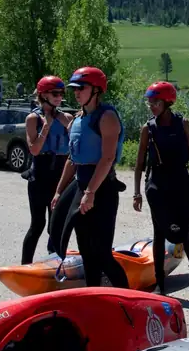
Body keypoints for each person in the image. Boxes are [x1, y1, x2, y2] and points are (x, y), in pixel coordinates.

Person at [48, 66, 130, 289]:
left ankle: (129, 301)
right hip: (81, 188)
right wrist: (59, 191)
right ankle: (94, 298)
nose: (76, 92)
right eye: (74, 88)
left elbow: (107, 159)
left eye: (81, 88)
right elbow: (72, 160)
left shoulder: (107, 117)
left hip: (102, 190)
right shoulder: (76, 120)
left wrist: (90, 193)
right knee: (87, 253)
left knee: (102, 254)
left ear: (96, 90)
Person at [132, 81, 189, 296]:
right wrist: (137, 193)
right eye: (149, 102)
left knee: (185, 232)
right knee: (159, 233)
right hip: (158, 185)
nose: (151, 106)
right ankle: (160, 284)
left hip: (182, 183)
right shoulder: (148, 128)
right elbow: (139, 163)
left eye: (155, 102)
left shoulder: (182, 123)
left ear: (167, 102)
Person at [20, 75, 73, 264]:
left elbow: (76, 137)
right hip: (39, 177)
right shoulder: (33, 119)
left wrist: (64, 122)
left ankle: (56, 263)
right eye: (55, 93)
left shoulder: (66, 117)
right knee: (37, 225)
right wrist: (47, 127)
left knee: (56, 225)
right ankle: (25, 266)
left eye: (61, 93)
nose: (59, 97)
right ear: (43, 95)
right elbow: (34, 149)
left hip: (59, 177)